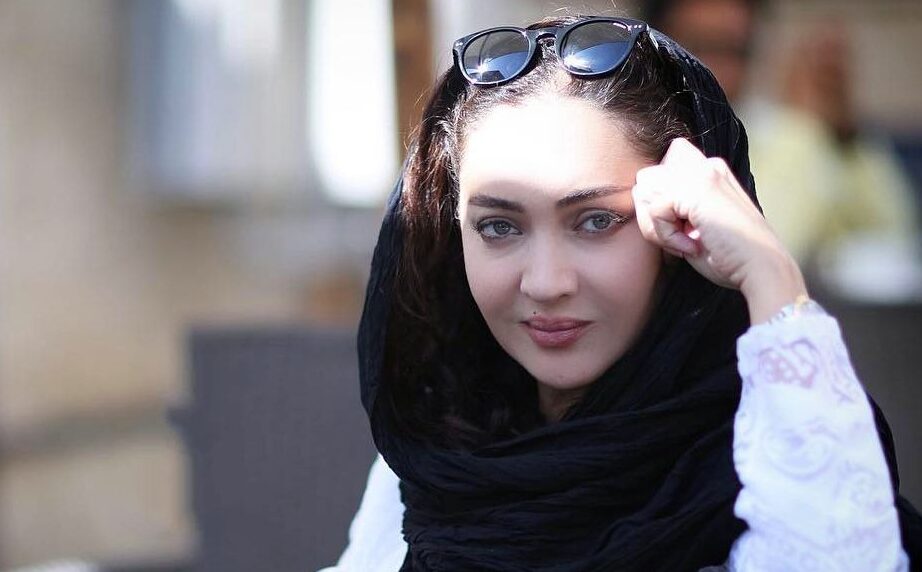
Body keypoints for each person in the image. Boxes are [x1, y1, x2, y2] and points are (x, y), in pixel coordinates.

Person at [324, 14, 922, 571]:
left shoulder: (780, 455)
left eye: (596, 222)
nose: (546, 283)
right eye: (499, 227)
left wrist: (769, 274)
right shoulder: (442, 449)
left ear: (680, 223)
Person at [643, 0, 920, 296]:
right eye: (699, 47)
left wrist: (840, 134)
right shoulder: (628, 136)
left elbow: (895, 241)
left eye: (735, 51)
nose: (716, 69)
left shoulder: (790, 138)